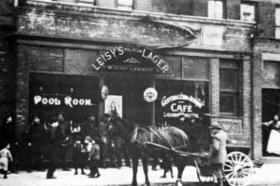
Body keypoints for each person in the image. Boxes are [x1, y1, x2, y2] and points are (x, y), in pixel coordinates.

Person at [208, 122, 227, 186]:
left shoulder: (216, 136)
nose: (211, 130)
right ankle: (221, 182)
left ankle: (220, 184)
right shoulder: (224, 134)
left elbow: (215, 148)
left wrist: (211, 156)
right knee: (220, 170)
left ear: (216, 129)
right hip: (223, 155)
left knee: (217, 171)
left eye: (212, 129)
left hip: (217, 156)